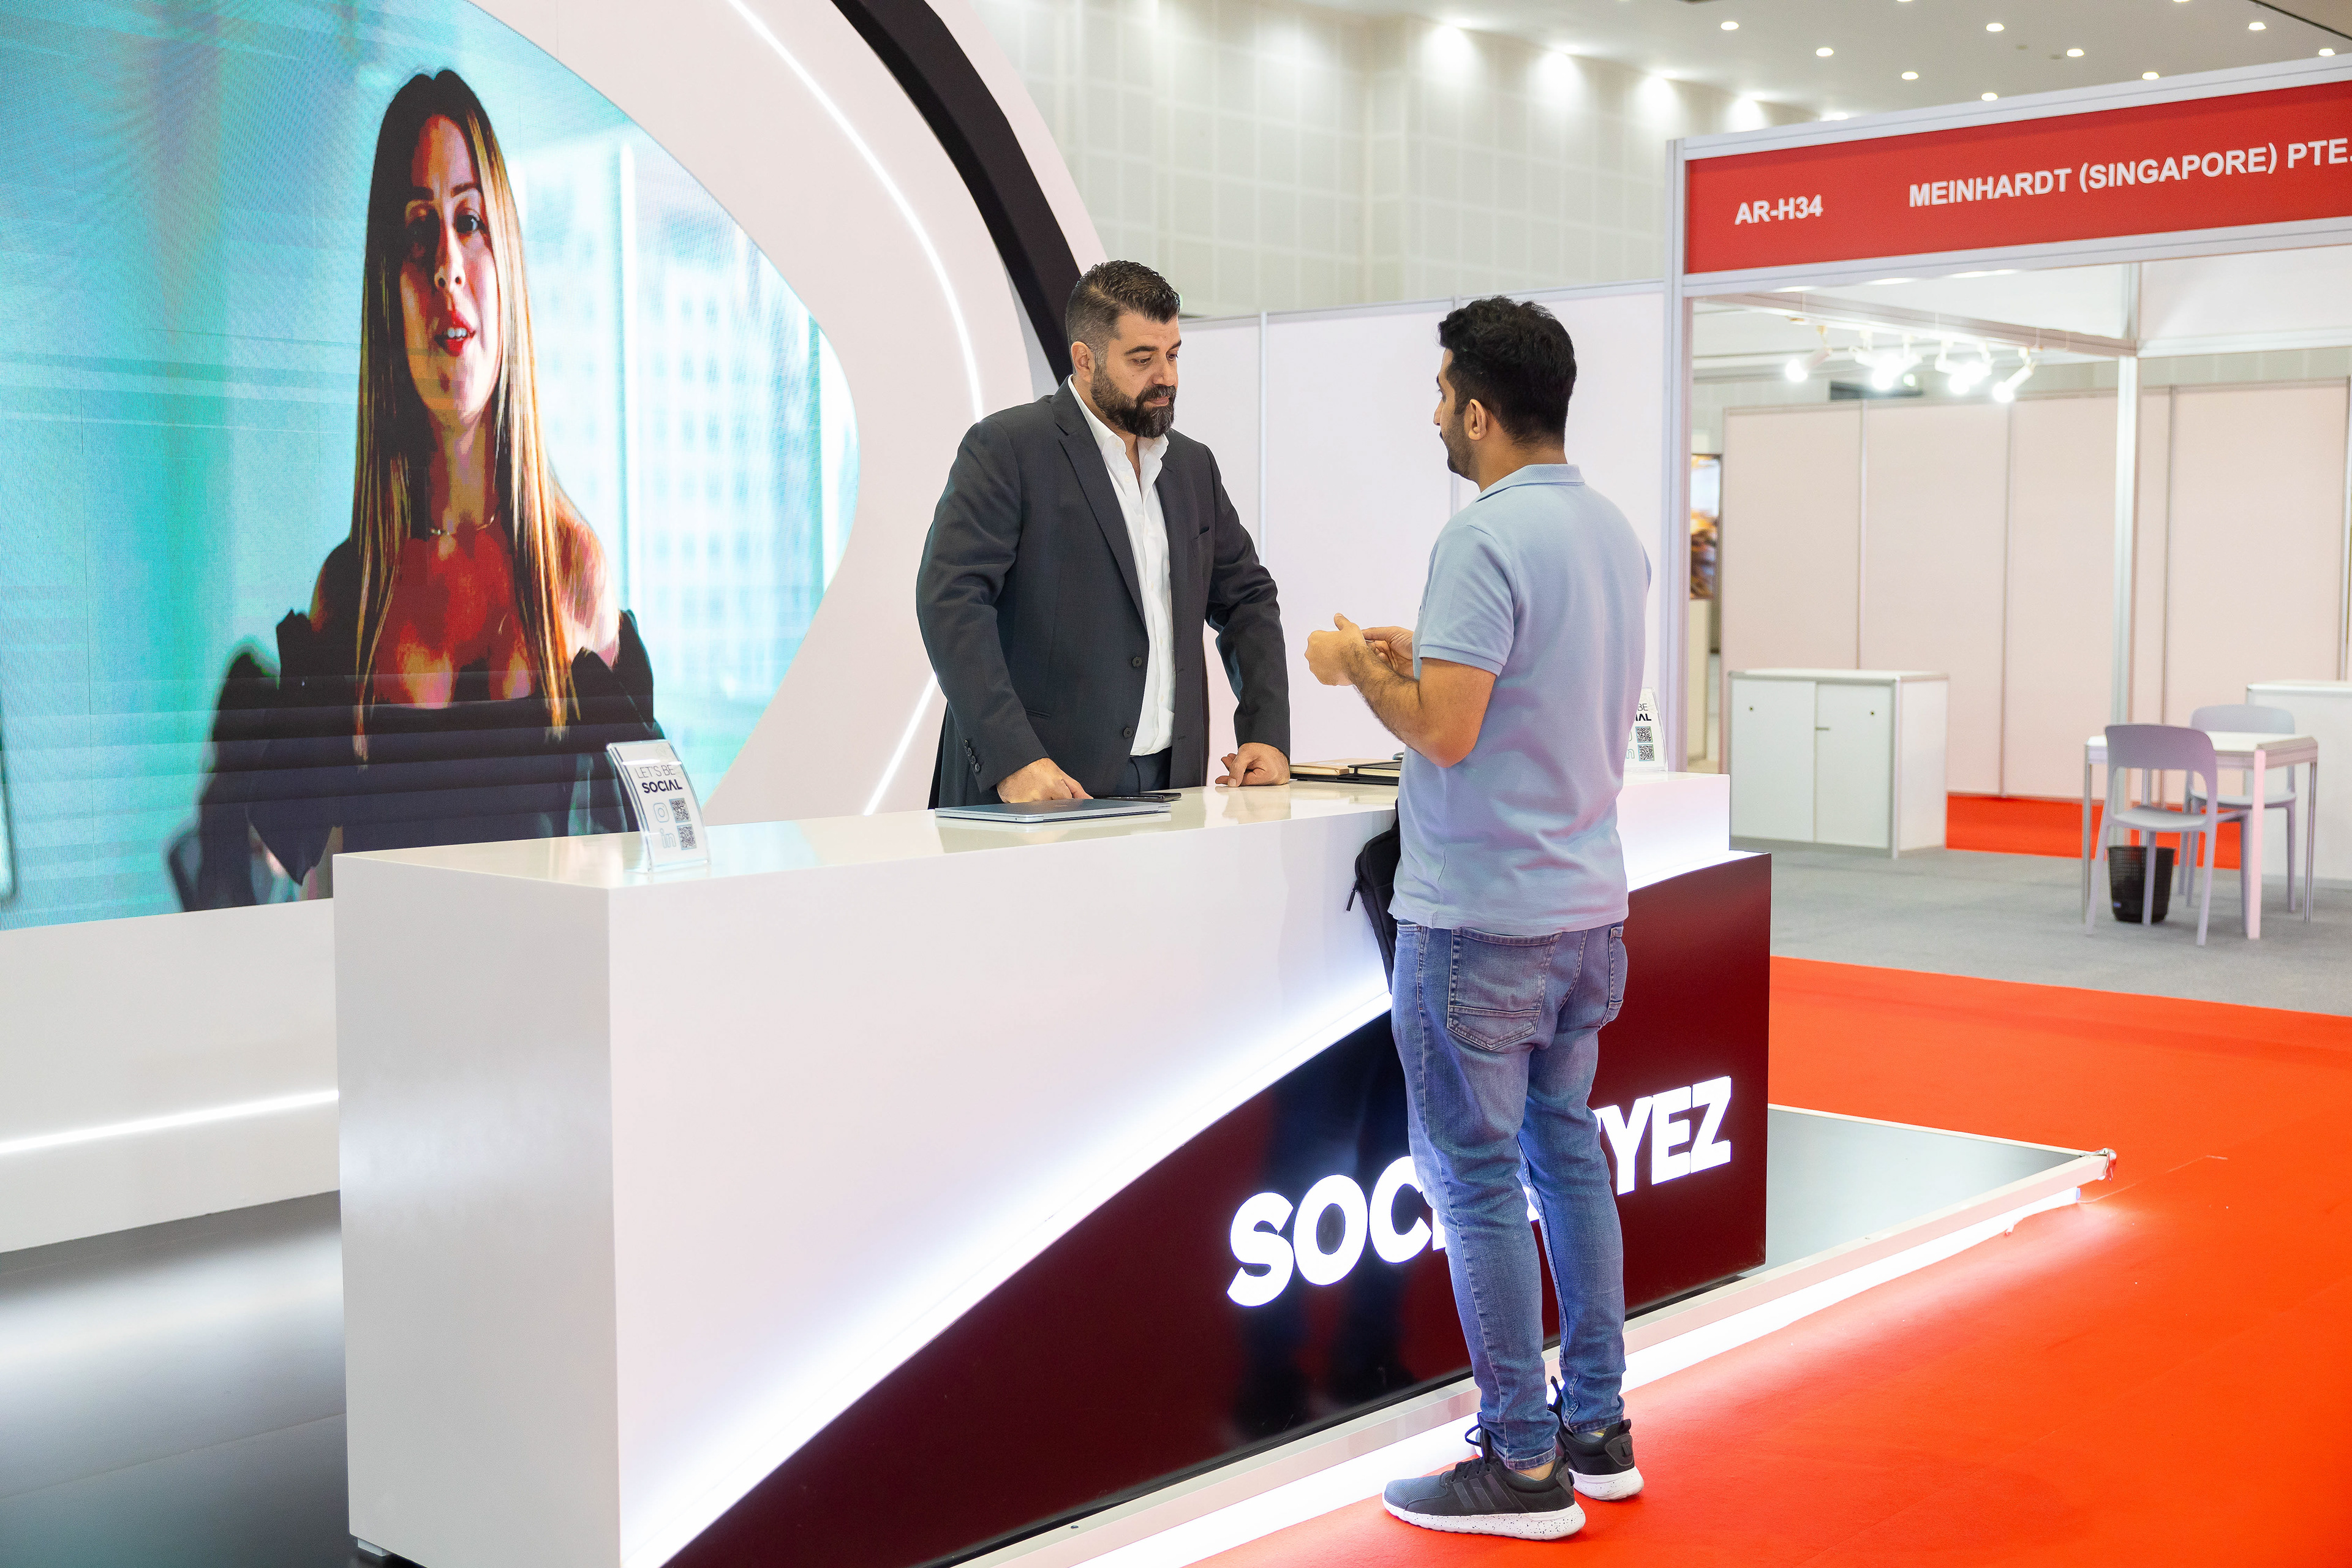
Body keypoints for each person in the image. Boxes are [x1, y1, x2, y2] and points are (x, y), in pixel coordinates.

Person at [1302, 296, 1649, 1541]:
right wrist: (1422, 654)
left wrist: (1360, 669)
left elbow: (1446, 732)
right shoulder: (1612, 533)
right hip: (1585, 913)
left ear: (1481, 410)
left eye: (1444, 390)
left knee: (1477, 1180)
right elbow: (1527, 686)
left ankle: (1521, 1459)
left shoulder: (1483, 536)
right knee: (1568, 1159)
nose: (1437, 412)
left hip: (1481, 921)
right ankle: (1596, 1427)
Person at [213, 69, 658, 900]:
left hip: (548, 982)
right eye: (420, 232)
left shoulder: (573, 571)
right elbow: (311, 884)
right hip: (386, 984)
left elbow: (641, 861)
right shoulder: (349, 594)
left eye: (470, 222)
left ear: (505, 258)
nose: (448, 265)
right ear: (390, 287)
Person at [916, 260, 1289, 805]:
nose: (1167, 377)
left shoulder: (1192, 467)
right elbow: (950, 601)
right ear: (1085, 360)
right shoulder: (1008, 448)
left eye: (1173, 354)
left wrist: (1266, 732)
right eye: (1142, 359)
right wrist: (1013, 758)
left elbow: (1248, 599)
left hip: (1173, 787)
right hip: (1037, 789)